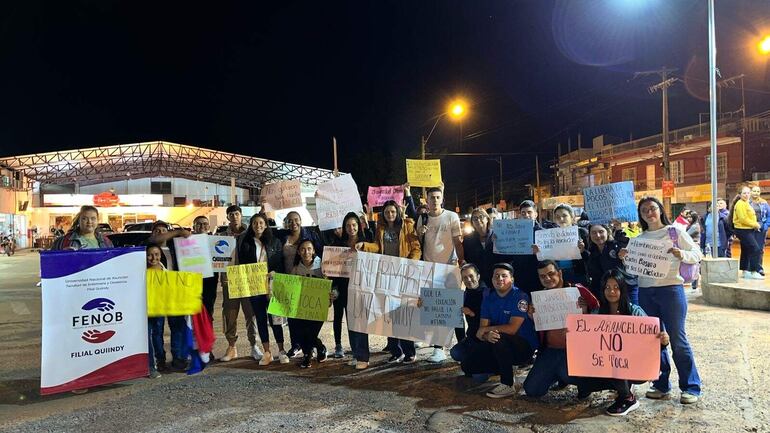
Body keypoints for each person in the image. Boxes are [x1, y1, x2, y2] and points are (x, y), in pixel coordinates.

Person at [619, 196, 703, 404]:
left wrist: (681, 253)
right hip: (646, 292)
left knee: (678, 339)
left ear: (660, 210)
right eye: (644, 210)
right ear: (640, 215)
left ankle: (691, 386)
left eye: (653, 208)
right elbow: (632, 271)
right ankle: (661, 384)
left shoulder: (675, 232)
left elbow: (697, 253)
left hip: (671, 291)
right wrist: (625, 258)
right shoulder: (637, 240)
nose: (649, 212)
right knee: (655, 340)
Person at [576, 269, 670, 416]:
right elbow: (587, 340)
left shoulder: (635, 311)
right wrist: (583, 312)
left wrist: (663, 340)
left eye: (616, 287)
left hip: (636, 365)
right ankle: (623, 387)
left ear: (622, 289)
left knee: (615, 359)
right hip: (608, 364)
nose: (611, 291)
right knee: (584, 383)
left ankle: (627, 398)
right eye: (607, 287)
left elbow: (653, 339)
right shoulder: (597, 313)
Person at [522, 260, 599, 398]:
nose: (547, 278)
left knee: (567, 373)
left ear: (560, 273)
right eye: (542, 276)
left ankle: (583, 382)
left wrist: (585, 310)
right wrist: (532, 317)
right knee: (532, 390)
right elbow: (539, 330)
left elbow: (599, 312)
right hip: (550, 350)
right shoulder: (539, 299)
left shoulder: (578, 290)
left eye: (551, 274)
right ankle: (556, 375)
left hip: (576, 350)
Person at [460, 263, 538, 398]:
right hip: (499, 344)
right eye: (496, 276)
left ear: (512, 279)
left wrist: (487, 330)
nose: (499, 279)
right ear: (491, 279)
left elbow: (512, 329)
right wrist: (486, 335)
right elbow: (481, 332)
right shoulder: (489, 298)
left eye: (504, 276)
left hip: (523, 347)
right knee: (467, 365)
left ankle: (507, 384)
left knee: (498, 338)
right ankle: (503, 367)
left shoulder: (520, 296)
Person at [357, 200, 421, 363]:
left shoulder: (407, 225)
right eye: (387, 212)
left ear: (397, 212)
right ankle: (395, 351)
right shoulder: (381, 228)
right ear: (383, 214)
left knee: (404, 313)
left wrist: (409, 264)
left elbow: (416, 247)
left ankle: (409, 351)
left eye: (393, 212)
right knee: (388, 314)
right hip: (387, 276)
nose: (390, 215)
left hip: (403, 274)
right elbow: (378, 247)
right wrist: (364, 245)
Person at [416, 186, 465, 362]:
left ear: (442, 198)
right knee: (436, 310)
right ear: (426, 200)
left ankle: (463, 344)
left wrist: (462, 262)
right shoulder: (422, 218)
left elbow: (457, 242)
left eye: (437, 197)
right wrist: (419, 233)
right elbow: (417, 244)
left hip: (449, 268)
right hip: (429, 270)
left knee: (454, 307)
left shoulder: (452, 216)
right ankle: (438, 348)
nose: (434, 200)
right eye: (431, 197)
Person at [236, 213, 290, 365]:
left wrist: (275, 272)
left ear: (266, 225)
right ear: (251, 226)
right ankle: (267, 352)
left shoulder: (275, 242)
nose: (258, 226)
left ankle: (281, 350)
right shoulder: (246, 243)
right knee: (260, 318)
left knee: (276, 319)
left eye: (261, 223)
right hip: (256, 287)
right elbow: (242, 266)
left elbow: (281, 263)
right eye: (254, 223)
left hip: (273, 285)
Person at [146, 221, 193, 371]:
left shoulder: (176, 247)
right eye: (157, 230)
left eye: (163, 230)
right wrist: (179, 232)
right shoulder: (150, 248)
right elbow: (155, 241)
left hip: (175, 292)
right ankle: (160, 360)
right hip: (156, 294)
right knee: (157, 329)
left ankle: (178, 358)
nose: (160, 233)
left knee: (177, 326)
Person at [277, 210, 325, 358]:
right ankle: (295, 345)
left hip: (309, 280)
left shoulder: (308, 237)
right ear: (286, 222)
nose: (294, 223)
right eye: (290, 220)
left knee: (308, 320)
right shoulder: (283, 236)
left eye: (296, 219)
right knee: (293, 318)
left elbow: (320, 251)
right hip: (290, 279)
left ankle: (313, 347)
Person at [219, 205, 260, 362]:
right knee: (230, 314)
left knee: (251, 314)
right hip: (229, 281)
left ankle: (254, 345)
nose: (234, 216)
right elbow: (217, 260)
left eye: (237, 213)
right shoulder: (221, 236)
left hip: (247, 279)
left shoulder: (251, 235)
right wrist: (221, 276)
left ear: (241, 215)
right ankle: (231, 346)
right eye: (231, 214)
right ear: (228, 217)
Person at [334, 212, 372, 369]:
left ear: (359, 226)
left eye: (354, 225)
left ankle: (364, 356)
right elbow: (334, 267)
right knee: (351, 322)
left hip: (362, 286)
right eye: (348, 225)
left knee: (360, 322)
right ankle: (356, 354)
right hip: (344, 287)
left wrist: (368, 222)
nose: (351, 228)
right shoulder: (339, 244)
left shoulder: (366, 242)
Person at [290, 238, 334, 368]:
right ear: (298, 252)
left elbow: (329, 284)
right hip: (302, 307)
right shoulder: (296, 269)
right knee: (303, 332)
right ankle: (311, 353)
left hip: (318, 307)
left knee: (311, 332)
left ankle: (315, 351)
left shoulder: (322, 265)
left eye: (309, 249)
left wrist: (330, 298)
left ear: (313, 250)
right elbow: (290, 286)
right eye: (303, 249)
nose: (306, 252)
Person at [534, 203, 589, 286]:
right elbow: (547, 260)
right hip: (557, 276)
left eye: (564, 215)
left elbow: (590, 256)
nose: (561, 219)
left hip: (578, 273)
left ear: (572, 217)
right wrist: (539, 253)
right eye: (557, 217)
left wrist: (582, 251)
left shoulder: (582, 233)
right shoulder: (548, 235)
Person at [586, 223, 638, 305]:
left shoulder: (616, 245)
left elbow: (625, 243)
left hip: (627, 288)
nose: (598, 235)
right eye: (594, 233)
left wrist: (619, 230)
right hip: (608, 292)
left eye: (601, 231)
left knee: (632, 315)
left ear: (607, 232)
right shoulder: (592, 251)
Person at [449, 264, 489, 364]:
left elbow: (492, 318)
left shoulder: (488, 293)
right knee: (455, 353)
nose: (469, 280)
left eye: (471, 276)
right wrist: (424, 303)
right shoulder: (464, 294)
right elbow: (446, 308)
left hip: (487, 338)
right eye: (465, 277)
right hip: (471, 338)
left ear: (478, 276)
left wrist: (471, 313)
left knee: (478, 376)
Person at [729, 187, 764, 280]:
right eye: (744, 193)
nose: (747, 194)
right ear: (740, 194)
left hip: (747, 229)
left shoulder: (746, 203)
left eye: (748, 193)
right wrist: (755, 224)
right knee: (756, 249)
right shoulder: (740, 204)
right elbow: (743, 218)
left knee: (746, 250)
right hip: (743, 230)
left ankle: (745, 271)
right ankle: (754, 271)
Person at [145, 244, 165, 379]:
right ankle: (151, 367)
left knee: (158, 335)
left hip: (159, 308)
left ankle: (161, 361)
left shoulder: (164, 269)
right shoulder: (141, 270)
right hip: (145, 309)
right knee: (147, 337)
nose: (154, 258)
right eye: (150, 255)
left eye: (157, 254)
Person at [192, 216, 218, 322]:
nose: (202, 226)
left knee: (208, 307)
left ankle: (207, 333)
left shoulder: (216, 241)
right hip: (193, 278)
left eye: (205, 224)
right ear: (194, 226)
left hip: (210, 279)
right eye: (199, 224)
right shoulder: (186, 241)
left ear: (209, 226)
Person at [463, 209, 492, 281]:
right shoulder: (467, 240)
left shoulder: (496, 236)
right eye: (475, 218)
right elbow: (466, 259)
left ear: (487, 219)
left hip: (495, 278)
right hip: (476, 280)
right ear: (472, 222)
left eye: (481, 217)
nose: (478, 220)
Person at [750, 185, 770, 275]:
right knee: (749, 248)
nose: (756, 193)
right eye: (754, 191)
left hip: (761, 229)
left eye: (758, 191)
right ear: (751, 192)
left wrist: (766, 226)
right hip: (749, 228)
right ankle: (750, 268)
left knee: (759, 249)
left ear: (760, 193)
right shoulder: (746, 202)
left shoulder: (764, 203)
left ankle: (759, 268)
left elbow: (768, 216)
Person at [685, 211, 702, 290]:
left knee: (695, 267)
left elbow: (686, 235)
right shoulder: (691, 225)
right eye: (687, 217)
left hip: (695, 247)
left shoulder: (695, 226)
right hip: (692, 247)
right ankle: (694, 285)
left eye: (690, 217)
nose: (688, 219)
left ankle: (694, 285)